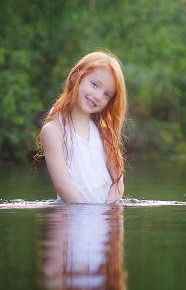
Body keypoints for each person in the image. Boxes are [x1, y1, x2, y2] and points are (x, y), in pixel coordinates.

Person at [35, 52, 127, 204]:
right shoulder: (53, 131)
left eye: (107, 94)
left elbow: (118, 184)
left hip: (105, 222)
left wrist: (106, 214)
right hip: (72, 220)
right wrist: (87, 215)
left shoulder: (105, 132)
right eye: (94, 84)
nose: (98, 96)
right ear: (76, 77)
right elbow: (62, 186)